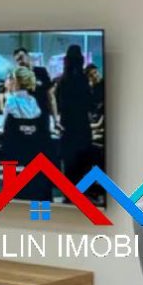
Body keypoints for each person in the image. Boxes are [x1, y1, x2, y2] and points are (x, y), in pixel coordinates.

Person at [0, 67, 52, 201]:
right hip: (32, 148)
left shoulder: (11, 101)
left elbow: (4, 125)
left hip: (14, 148)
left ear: (16, 81)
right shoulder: (33, 101)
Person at [54, 45, 93, 184]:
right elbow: (90, 104)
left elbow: (59, 105)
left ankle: (69, 193)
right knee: (83, 169)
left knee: (69, 170)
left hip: (67, 128)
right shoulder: (84, 81)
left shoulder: (62, 82)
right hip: (82, 128)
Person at [13, 47, 58, 125]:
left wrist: (55, 120)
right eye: (17, 60)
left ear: (27, 56)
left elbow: (50, 96)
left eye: (21, 57)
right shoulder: (18, 77)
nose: (20, 61)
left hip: (42, 115)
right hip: (26, 117)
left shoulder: (41, 72)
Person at [86, 63, 105, 149]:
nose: (95, 76)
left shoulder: (104, 84)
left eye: (95, 72)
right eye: (91, 75)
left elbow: (99, 124)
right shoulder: (91, 89)